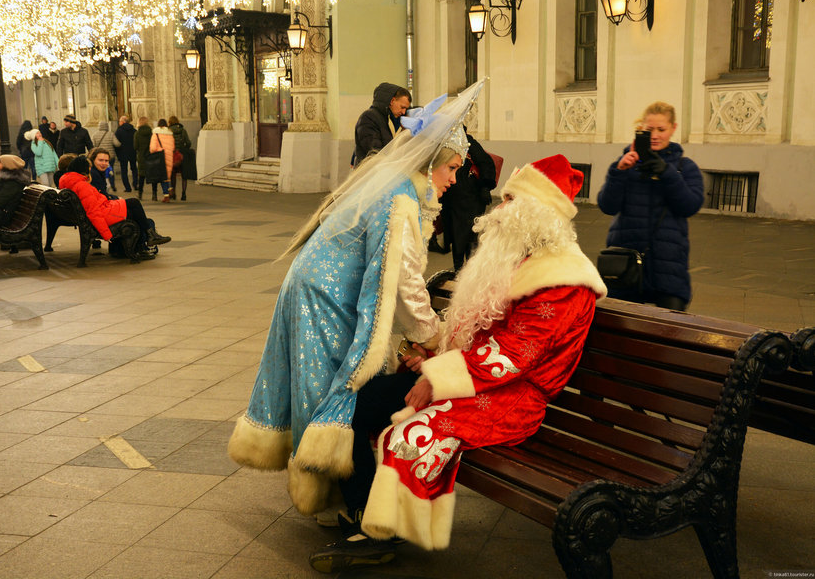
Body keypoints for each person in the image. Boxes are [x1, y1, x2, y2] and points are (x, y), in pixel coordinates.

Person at [308, 154, 607, 573]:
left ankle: (384, 533)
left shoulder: (562, 280)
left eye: (510, 202)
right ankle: (364, 511)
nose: (498, 212)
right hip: (469, 377)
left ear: (537, 216)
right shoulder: (517, 260)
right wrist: (429, 356)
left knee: (411, 431)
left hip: (514, 397)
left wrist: (438, 378)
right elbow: (472, 331)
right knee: (357, 403)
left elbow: (511, 356)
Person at [228, 81, 485, 530]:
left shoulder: (394, 184)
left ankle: (340, 496)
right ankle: (357, 505)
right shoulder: (402, 199)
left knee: (324, 391)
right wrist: (434, 338)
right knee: (340, 394)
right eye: (452, 169)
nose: (452, 180)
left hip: (314, 289)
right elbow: (403, 283)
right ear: (433, 163)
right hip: (323, 300)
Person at [596, 101, 704, 311]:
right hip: (625, 263)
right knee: (624, 333)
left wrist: (667, 173)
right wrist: (619, 172)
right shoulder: (624, 163)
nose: (654, 135)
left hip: (669, 266)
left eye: (661, 130)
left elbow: (690, 206)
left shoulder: (684, 167)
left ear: (673, 128)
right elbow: (607, 205)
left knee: (670, 330)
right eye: (649, 130)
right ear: (641, 130)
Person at [58, 156, 171, 261]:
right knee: (136, 208)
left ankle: (148, 237)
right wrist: (106, 234)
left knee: (134, 206)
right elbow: (93, 212)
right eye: (89, 167)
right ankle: (145, 242)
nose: (90, 169)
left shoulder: (68, 181)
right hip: (104, 215)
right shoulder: (82, 185)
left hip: (102, 210)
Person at [440, 129, 497, 270]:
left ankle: (469, 270)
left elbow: (486, 162)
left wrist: (485, 186)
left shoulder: (468, 142)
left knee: (469, 235)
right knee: (458, 235)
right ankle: (459, 269)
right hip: (454, 199)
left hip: (470, 198)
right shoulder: (444, 144)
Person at [352, 82, 411, 167]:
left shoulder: (394, 120)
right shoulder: (369, 118)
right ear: (392, 101)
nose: (403, 112)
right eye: (402, 107)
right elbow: (374, 152)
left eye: (406, 109)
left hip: (385, 172)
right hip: (368, 174)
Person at [149, 119, 175, 203]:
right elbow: (173, 147)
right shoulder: (170, 134)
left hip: (160, 156)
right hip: (169, 156)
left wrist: (157, 149)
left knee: (162, 176)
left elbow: (152, 148)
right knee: (167, 175)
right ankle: (170, 188)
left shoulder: (155, 134)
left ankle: (166, 195)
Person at [167, 115, 192, 201]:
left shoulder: (169, 131)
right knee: (184, 175)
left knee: (173, 175)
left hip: (172, 155)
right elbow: (188, 143)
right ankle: (184, 193)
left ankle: (173, 192)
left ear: (169, 122)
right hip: (182, 154)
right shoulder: (183, 130)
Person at [88, 121, 117, 189]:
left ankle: (102, 182)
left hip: (98, 155)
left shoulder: (95, 135)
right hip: (110, 156)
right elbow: (117, 144)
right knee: (110, 170)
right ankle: (112, 184)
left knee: (100, 170)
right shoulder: (111, 134)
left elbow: (92, 145)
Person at [114, 115, 138, 192]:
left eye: (120, 121)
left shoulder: (119, 131)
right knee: (134, 168)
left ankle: (127, 187)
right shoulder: (134, 130)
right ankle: (135, 184)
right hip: (133, 152)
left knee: (124, 171)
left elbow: (116, 143)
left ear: (123, 122)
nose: (119, 123)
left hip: (122, 153)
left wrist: (117, 153)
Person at [133, 117, 152, 199]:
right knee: (153, 176)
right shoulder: (151, 133)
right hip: (150, 156)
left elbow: (135, 146)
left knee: (141, 176)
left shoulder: (137, 133)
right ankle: (154, 195)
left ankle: (140, 193)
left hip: (141, 156)